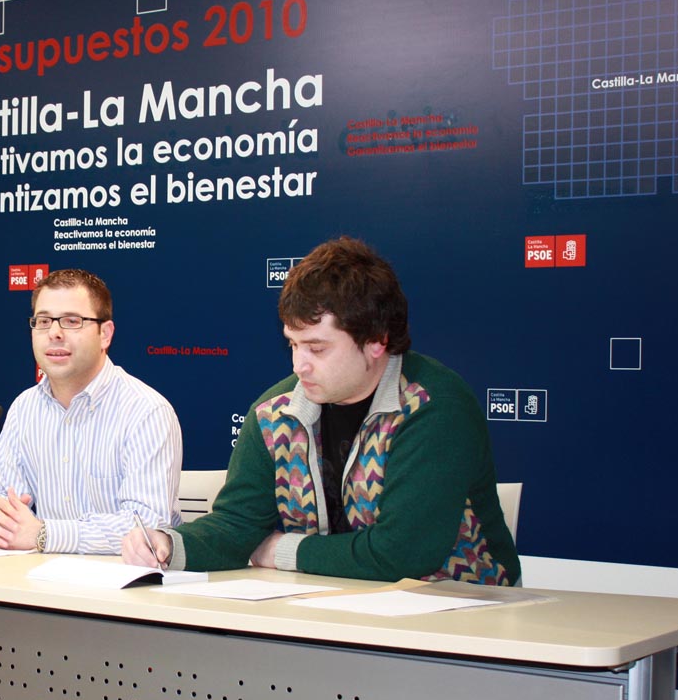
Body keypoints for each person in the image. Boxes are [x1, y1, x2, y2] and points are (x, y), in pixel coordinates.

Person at [123, 238, 520, 585]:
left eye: (317, 348)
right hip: (333, 607)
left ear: (377, 341)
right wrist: (169, 545)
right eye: (293, 345)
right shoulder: (273, 413)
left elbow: (401, 553)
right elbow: (237, 525)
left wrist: (280, 550)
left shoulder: (432, 407)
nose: (299, 365)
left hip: (463, 612)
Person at [0, 269, 182, 555]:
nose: (55, 333)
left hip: (128, 587)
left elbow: (146, 527)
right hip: (41, 581)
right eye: (44, 321)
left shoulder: (146, 411)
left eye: (72, 321)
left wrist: (45, 534)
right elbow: (2, 494)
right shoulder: (24, 409)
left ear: (105, 334)